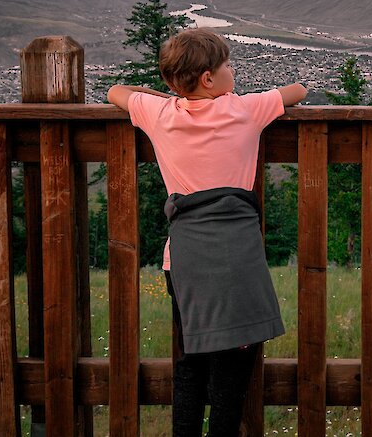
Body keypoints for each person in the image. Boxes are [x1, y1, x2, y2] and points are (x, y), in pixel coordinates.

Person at [107, 27, 306, 437]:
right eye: (227, 65)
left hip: (182, 260)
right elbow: (298, 90)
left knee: (191, 363)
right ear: (209, 79)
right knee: (232, 377)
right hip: (236, 260)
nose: (233, 70)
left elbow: (116, 91)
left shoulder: (160, 115)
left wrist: (170, 97)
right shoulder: (246, 110)